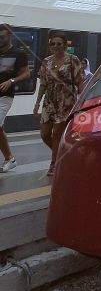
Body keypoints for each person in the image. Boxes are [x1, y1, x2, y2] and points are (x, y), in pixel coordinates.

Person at [34, 33, 85, 177]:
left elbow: (79, 81)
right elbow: (43, 83)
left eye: (59, 43)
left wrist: (83, 100)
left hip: (66, 100)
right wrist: (37, 103)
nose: (55, 46)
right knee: (44, 134)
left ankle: (54, 163)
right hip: (49, 101)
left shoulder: (72, 60)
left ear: (65, 45)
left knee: (57, 133)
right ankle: (63, 154)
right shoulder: (46, 61)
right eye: (53, 44)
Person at [0, 24, 31, 173]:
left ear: (9, 36)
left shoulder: (19, 54)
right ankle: (10, 159)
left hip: (5, 96)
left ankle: (9, 159)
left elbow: (26, 74)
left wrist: (11, 81)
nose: (0, 40)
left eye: (2, 37)